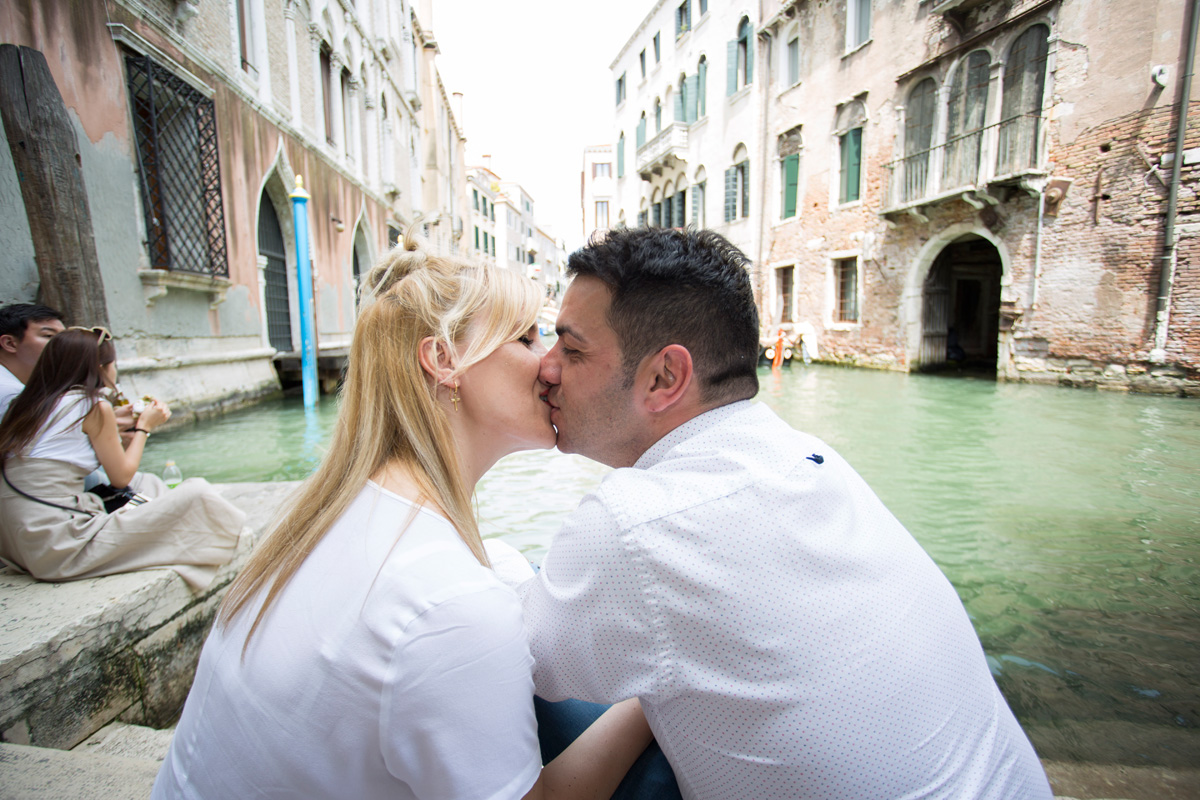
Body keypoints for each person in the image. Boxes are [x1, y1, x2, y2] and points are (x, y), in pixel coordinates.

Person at [520, 227, 1054, 800]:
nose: (545, 368)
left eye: (570, 349)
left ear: (664, 377)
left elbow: (495, 666)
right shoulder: (808, 456)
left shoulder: (635, 525)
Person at [152, 231, 654, 800]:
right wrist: (651, 695)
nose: (550, 366)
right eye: (525, 337)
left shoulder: (329, 513)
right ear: (443, 359)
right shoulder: (448, 601)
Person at [0, 327, 244, 591]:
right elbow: (121, 476)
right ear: (102, 368)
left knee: (147, 483)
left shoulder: (28, 403)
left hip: (17, 544)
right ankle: (245, 555)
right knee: (197, 493)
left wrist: (115, 422)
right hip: (58, 545)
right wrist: (144, 427)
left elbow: (65, 443)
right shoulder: (93, 405)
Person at [0, 303, 65, 418]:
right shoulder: (11, 395)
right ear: (10, 343)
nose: (64, 343)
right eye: (49, 336)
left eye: (64, 337)